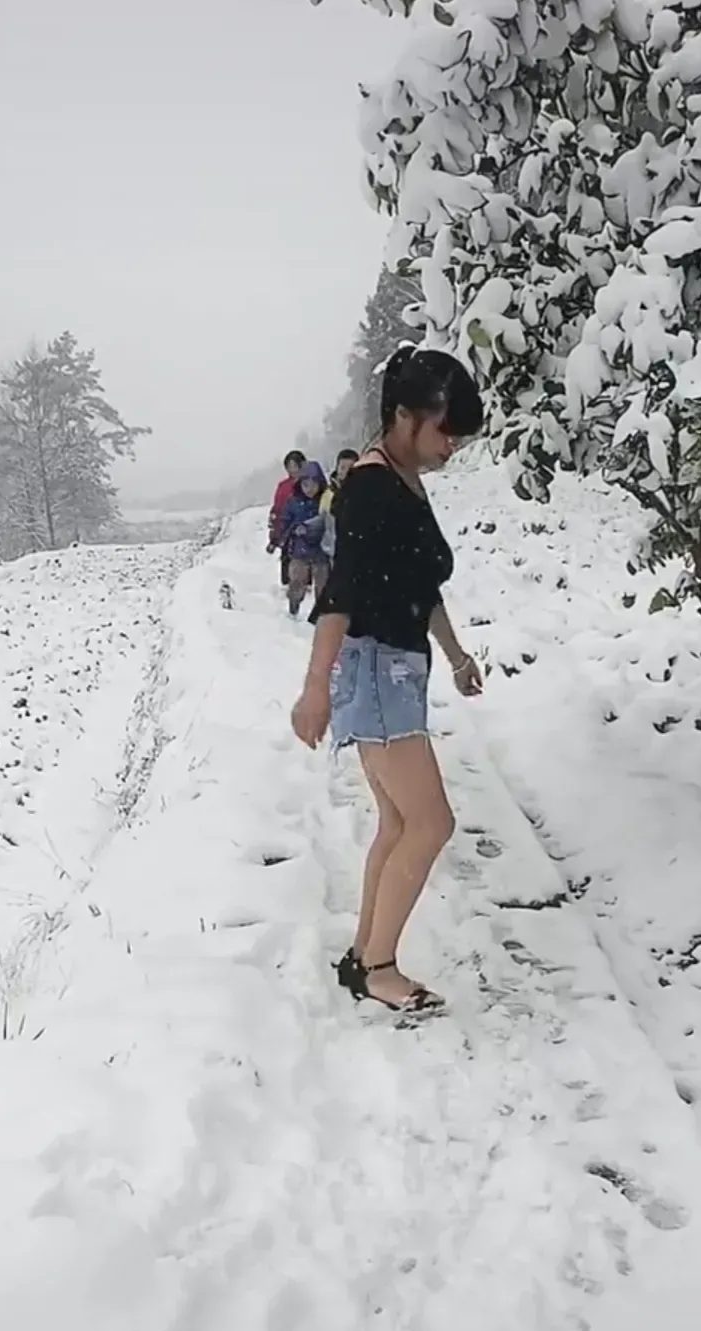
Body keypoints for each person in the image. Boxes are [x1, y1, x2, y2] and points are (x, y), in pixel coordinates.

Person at [290, 349, 485, 1015]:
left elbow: (417, 584)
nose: (451, 443)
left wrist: (455, 655)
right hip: (372, 669)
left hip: (395, 667)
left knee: (400, 820)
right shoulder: (372, 488)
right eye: (443, 428)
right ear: (402, 416)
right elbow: (340, 592)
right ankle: (378, 966)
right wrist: (315, 684)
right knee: (431, 822)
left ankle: (363, 958)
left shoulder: (402, 479)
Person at [278, 460, 330, 617]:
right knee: (296, 583)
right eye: (305, 484)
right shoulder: (293, 501)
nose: (309, 489)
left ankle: (322, 616)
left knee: (323, 587)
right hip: (299, 551)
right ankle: (293, 608)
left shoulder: (325, 500)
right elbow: (285, 522)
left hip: (321, 551)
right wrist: (286, 535)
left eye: (314, 484)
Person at [267, 450, 305, 586]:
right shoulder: (283, 486)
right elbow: (277, 507)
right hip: (286, 529)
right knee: (287, 560)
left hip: (305, 529)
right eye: (289, 466)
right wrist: (274, 530)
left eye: (295, 465)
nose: (292, 469)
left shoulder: (309, 483)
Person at [320, 448, 359, 559]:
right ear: (337, 468)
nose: (346, 472)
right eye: (342, 467)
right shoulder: (329, 494)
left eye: (350, 468)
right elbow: (322, 522)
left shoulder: (365, 493)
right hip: (332, 553)